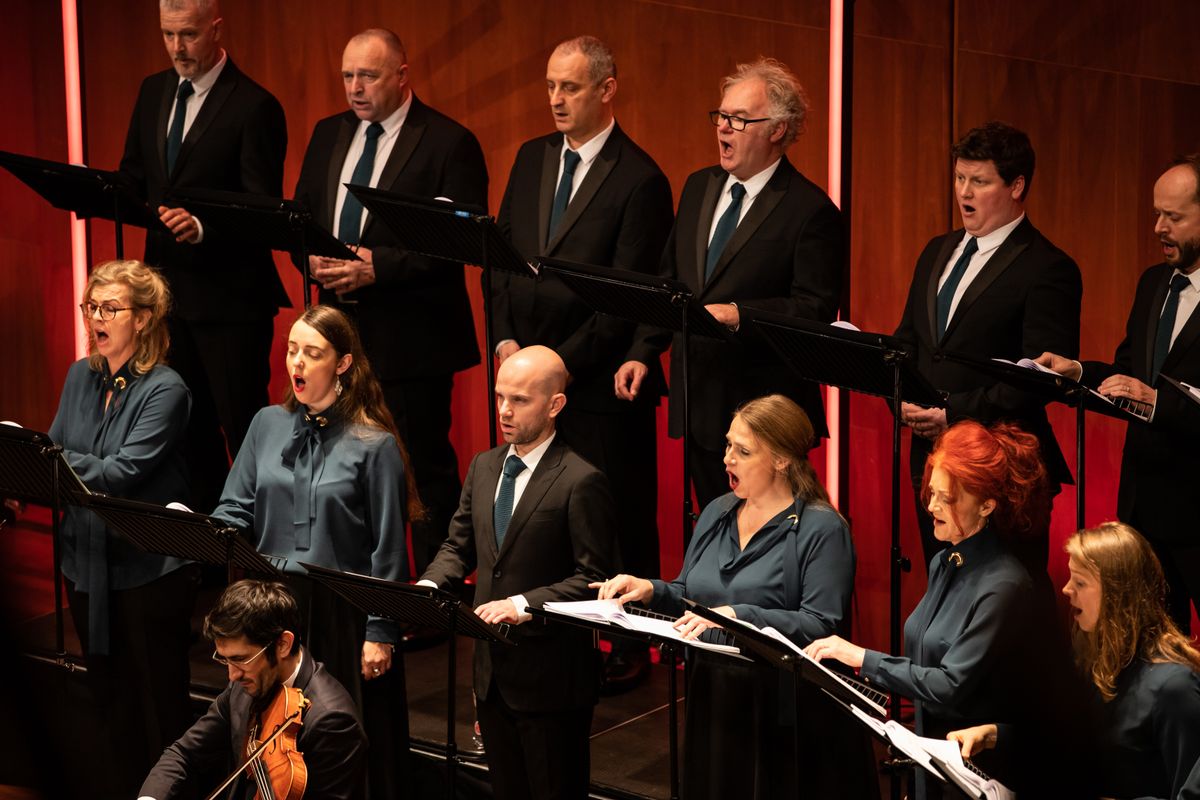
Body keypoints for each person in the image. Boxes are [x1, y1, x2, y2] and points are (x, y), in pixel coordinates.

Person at [492, 34, 674, 692]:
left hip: (595, 384)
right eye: (550, 86)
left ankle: (627, 643)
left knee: (611, 515)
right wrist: (506, 345)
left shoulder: (640, 179)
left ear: (606, 89)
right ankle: (547, 628)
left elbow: (626, 297)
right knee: (534, 514)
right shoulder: (532, 157)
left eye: (569, 87)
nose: (556, 99)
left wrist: (554, 367)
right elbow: (500, 259)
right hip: (525, 370)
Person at [596, 394, 876, 800]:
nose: (727, 459)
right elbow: (690, 595)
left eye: (743, 451)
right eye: (728, 445)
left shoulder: (822, 528)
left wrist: (736, 616)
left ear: (781, 460)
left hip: (782, 710)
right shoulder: (717, 511)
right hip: (715, 695)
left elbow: (820, 624)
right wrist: (651, 590)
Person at [293, 28, 487, 576]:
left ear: (402, 76)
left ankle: (434, 591)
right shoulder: (329, 132)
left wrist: (378, 267)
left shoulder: (448, 142)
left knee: (418, 470)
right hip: (336, 332)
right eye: (348, 76)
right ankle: (354, 583)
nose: (355, 88)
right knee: (341, 465)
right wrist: (309, 259)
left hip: (411, 338)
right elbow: (302, 218)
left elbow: (460, 244)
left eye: (368, 76)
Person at [615, 57, 843, 510]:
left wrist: (741, 315)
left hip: (763, 416)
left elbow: (814, 309)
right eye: (721, 115)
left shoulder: (811, 210)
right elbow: (670, 279)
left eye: (739, 119)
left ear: (777, 130)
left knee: (762, 536)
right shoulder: (698, 186)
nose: (723, 127)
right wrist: (643, 351)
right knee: (712, 527)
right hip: (697, 400)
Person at [212, 304, 417, 798]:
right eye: (291, 350)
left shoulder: (374, 444)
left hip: (342, 611)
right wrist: (216, 530)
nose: (297, 362)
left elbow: (389, 549)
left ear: (343, 363)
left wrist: (380, 632)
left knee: (340, 742)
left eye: (312, 352)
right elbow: (234, 505)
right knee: (274, 744)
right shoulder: (266, 423)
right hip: (272, 607)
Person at [805, 421, 1067, 798]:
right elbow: (926, 663)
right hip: (934, 755)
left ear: (987, 506)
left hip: (980, 768)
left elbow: (948, 685)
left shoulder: (1005, 585)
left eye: (947, 498)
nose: (931, 506)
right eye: (932, 493)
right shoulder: (944, 561)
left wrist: (862, 658)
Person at [419, 345, 618, 800]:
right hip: (492, 677)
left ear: (555, 405)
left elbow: (594, 578)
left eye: (520, 400)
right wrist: (430, 584)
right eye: (499, 396)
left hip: (552, 682)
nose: (505, 410)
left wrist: (523, 604)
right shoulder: (484, 466)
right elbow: (459, 546)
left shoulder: (581, 479)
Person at [119, 0, 289, 510]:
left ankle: (261, 546)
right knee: (185, 433)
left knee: (244, 432)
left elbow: (262, 211)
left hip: (230, 303)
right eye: (168, 34)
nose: (177, 47)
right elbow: (133, 177)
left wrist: (202, 230)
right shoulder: (152, 91)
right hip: (165, 300)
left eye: (189, 34)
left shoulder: (255, 106)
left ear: (216, 29)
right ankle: (207, 546)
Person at [894, 121, 1082, 575]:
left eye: (979, 181)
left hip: (1002, 470)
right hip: (932, 462)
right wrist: (899, 396)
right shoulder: (937, 250)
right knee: (944, 589)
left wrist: (953, 413)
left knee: (1001, 597)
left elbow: (1039, 379)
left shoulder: (1048, 267)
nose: (964, 192)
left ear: (1016, 186)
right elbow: (909, 340)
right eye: (960, 177)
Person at [43, 259, 195, 797]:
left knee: (158, 706)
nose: (96, 319)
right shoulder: (79, 376)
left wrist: (54, 462)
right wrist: (46, 463)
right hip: (84, 564)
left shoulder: (166, 389)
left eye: (111, 308)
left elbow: (121, 474)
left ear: (144, 318)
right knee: (109, 702)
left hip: (148, 571)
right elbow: (52, 453)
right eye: (92, 307)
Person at [1037, 155, 1200, 633]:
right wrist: (1078, 372)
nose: (1158, 227)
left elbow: (1152, 396)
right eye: (1156, 214)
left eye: (1174, 217)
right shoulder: (1153, 284)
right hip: (1143, 510)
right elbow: (1129, 377)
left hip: (1197, 510)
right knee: (1149, 648)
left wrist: (1157, 403)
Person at [950, 522, 1200, 800]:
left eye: (1080, 582)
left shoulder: (1174, 686)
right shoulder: (1093, 658)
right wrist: (993, 734)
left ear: (1119, 595)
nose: (1066, 590)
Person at [139, 579, 367, 800]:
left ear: (283, 644)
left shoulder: (332, 721)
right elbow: (184, 753)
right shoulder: (245, 683)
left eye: (240, 659)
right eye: (225, 659)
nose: (232, 675)